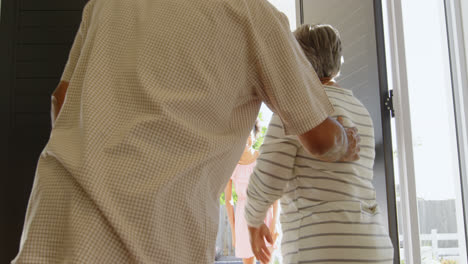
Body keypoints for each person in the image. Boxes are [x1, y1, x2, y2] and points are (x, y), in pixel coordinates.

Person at [12, 0, 360, 262]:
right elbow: (321, 139)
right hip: (153, 236)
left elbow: (62, 99)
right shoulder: (254, 16)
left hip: (55, 216)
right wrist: (346, 139)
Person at [245, 24, 394, 264]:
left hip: (321, 245)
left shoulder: (298, 109)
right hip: (374, 244)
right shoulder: (361, 111)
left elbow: (269, 174)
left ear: (296, 61)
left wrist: (253, 220)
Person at [224, 121, 279, 264]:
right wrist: (234, 232)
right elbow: (228, 201)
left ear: (255, 136)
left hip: (264, 213)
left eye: (249, 135)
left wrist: (274, 222)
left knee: (267, 260)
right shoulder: (231, 165)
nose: (246, 139)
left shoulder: (263, 158)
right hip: (243, 218)